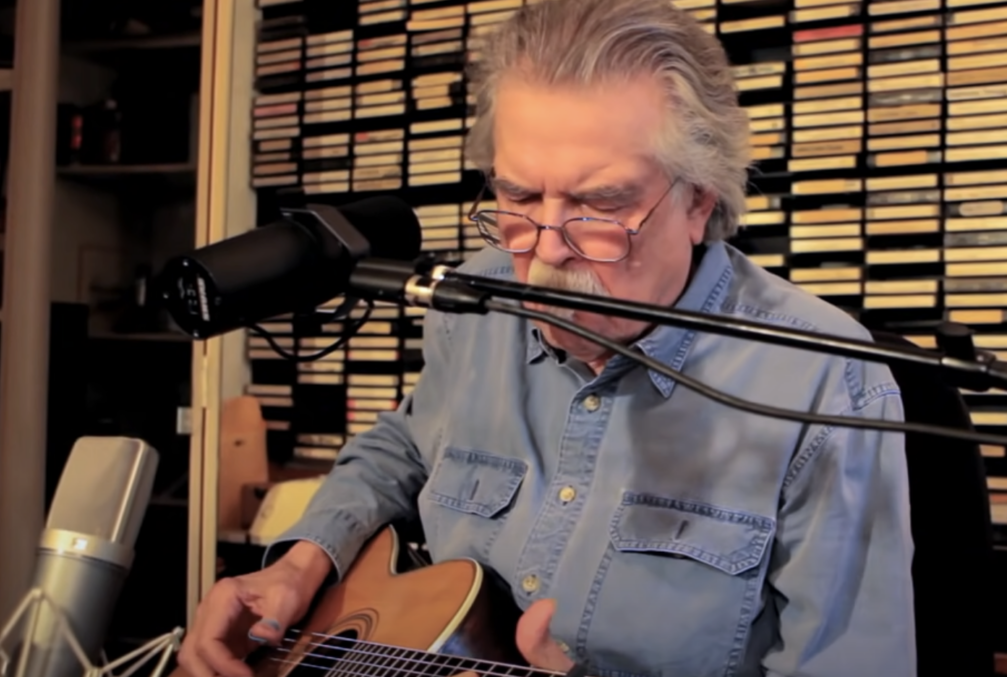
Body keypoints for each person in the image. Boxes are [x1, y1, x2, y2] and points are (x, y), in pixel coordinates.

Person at [178, 0, 917, 675]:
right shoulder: (475, 298)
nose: (546, 249)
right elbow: (406, 443)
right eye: (518, 196)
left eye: (599, 204)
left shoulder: (826, 382)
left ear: (698, 200)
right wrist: (306, 560)